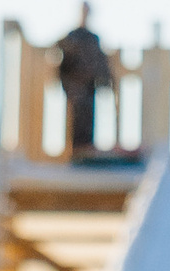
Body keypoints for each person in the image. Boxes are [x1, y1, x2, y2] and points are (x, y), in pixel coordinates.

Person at [56, 5, 113, 157]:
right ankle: (75, 153)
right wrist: (68, 85)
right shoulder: (72, 37)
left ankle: (85, 153)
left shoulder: (93, 39)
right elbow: (63, 64)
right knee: (75, 122)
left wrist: (106, 81)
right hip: (75, 88)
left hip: (89, 89)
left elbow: (101, 63)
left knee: (88, 120)